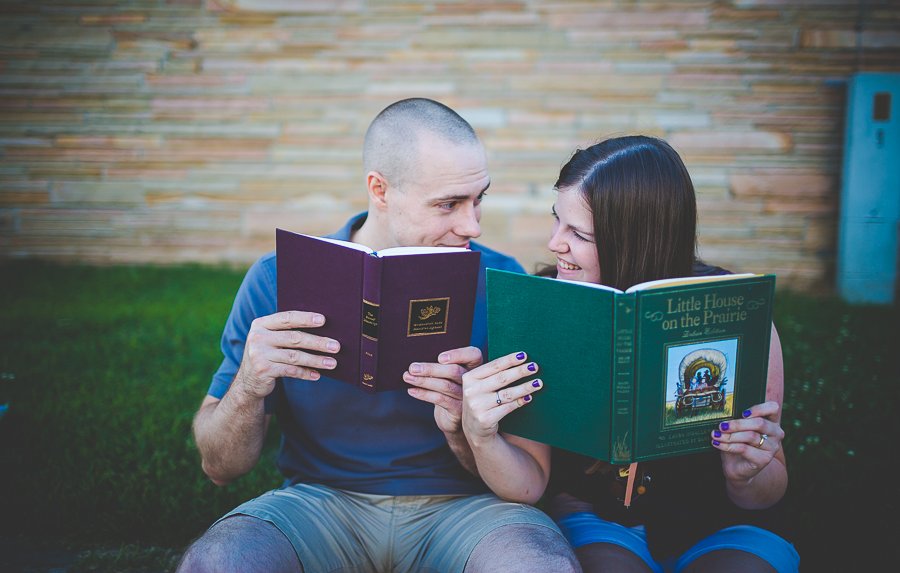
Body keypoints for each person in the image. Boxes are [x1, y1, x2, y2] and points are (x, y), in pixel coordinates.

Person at [177, 98, 580, 573]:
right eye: (448, 205)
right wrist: (248, 384)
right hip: (320, 505)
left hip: (466, 510)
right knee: (218, 562)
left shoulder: (503, 282)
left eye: (478, 199)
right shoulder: (277, 279)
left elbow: (528, 481)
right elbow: (219, 467)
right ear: (380, 190)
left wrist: (466, 429)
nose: (471, 225)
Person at [460, 136, 800, 573]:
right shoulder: (543, 308)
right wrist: (480, 435)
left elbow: (768, 491)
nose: (554, 244)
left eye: (579, 234)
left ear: (634, 240)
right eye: (556, 220)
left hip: (725, 521)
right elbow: (529, 485)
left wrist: (747, 473)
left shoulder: (733, 314)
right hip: (601, 517)